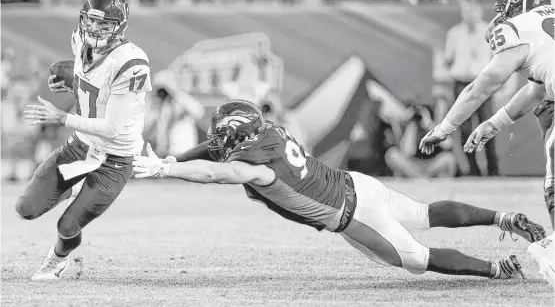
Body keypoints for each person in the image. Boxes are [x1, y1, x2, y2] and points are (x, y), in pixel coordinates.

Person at [133, 100, 545, 279]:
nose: (218, 142)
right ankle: (500, 217)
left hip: (354, 217)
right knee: (423, 213)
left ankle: (496, 270)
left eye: (224, 136)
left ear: (238, 136)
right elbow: (213, 150)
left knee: (417, 259)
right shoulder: (269, 131)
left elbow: (212, 172)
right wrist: (171, 159)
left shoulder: (256, 169)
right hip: (357, 184)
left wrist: (167, 168)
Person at [419, 0, 554, 286]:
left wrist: (443, 128)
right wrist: (495, 123)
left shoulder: (521, 28)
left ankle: (551, 249)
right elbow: (537, 89)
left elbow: (477, 91)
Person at [20, 0, 152, 280]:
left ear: (120, 26)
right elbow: (92, 84)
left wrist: (61, 117)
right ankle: (75, 187)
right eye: (91, 21)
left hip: (115, 158)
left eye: (105, 24)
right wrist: (73, 84)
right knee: (26, 209)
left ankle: (57, 259)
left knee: (68, 226)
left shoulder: (130, 62)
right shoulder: (78, 39)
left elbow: (112, 127)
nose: (95, 29)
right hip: (81, 146)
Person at [443, 0, 498, 176]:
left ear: (479, 13)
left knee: (488, 125)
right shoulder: (454, 33)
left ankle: (493, 169)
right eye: (466, 12)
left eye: (473, 12)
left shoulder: (489, 31)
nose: (470, 16)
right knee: (466, 129)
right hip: (462, 84)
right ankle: (472, 169)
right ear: (462, 14)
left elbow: (497, 57)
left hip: (483, 81)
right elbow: (448, 59)